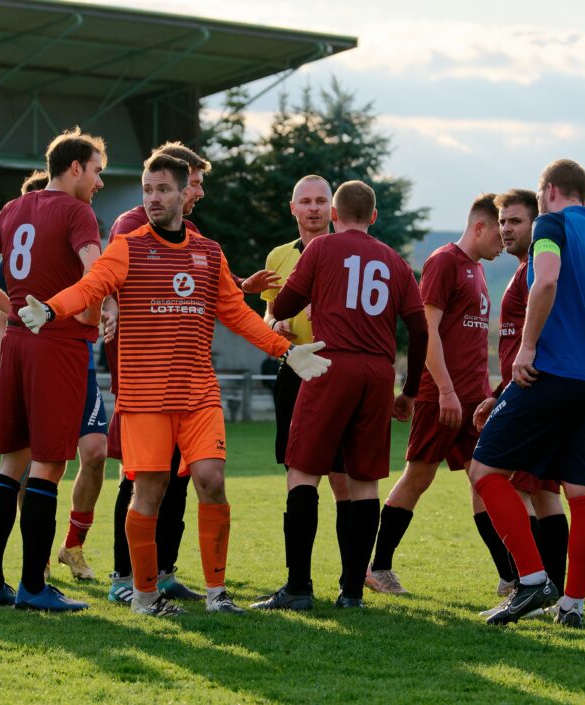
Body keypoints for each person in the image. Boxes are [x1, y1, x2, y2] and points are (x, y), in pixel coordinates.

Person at [18, 153, 330, 617]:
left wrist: (284, 350)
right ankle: (144, 595)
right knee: (151, 492)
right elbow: (92, 286)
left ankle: (217, 593)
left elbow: (238, 314)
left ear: (184, 194)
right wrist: (51, 309)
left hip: (199, 393)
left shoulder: (208, 252)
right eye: (147, 189)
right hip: (145, 398)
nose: (152, 198)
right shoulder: (128, 247)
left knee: (212, 480)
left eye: (162, 189)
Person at [105, 142, 279, 606]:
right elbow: (109, 272)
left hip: (186, 382)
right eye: (197, 180)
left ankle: (162, 574)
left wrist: (242, 288)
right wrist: (106, 303)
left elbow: (206, 289)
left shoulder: (196, 235)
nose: (200, 190)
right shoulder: (132, 226)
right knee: (141, 479)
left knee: (186, 478)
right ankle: (126, 577)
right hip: (143, 378)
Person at [469, 159, 585, 627]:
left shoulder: (551, 224)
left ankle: (530, 580)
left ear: (548, 190)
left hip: (551, 373)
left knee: (484, 470)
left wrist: (526, 348)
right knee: (583, 493)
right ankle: (573, 604)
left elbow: (545, 279)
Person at [253, 180, 428, 610]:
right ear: (373, 216)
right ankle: (352, 592)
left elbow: (286, 305)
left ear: (333, 215)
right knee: (363, 482)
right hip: (377, 374)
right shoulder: (395, 261)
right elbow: (420, 329)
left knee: (303, 473)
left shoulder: (320, 249)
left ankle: (298, 588)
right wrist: (409, 390)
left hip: (331, 366)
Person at [0, 127, 106, 612]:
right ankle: (35, 588)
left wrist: (13, 305)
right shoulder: (77, 211)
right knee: (48, 464)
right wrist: (88, 311)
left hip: (18, 343)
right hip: (56, 346)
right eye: (98, 171)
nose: (100, 183)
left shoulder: (15, 208)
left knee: (10, 464)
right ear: (76, 167)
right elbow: (96, 271)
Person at [366, 193, 503, 595]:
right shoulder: (445, 262)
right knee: (419, 477)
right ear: (479, 226)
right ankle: (378, 569)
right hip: (441, 398)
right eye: (500, 229)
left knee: (486, 481)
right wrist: (444, 390)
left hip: (472, 401)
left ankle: (511, 577)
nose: (505, 238)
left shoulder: (477, 270)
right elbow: (426, 332)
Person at [0, 168, 116, 584]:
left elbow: (101, 286)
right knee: (39, 466)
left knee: (94, 452)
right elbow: (1, 324)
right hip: (43, 363)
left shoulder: (71, 250)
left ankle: (71, 545)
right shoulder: (17, 264)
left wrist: (104, 311)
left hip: (75, 362)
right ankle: (35, 567)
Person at [473, 189, 569, 618]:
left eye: (515, 221)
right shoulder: (523, 271)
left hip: (534, 394)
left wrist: (509, 393)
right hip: (525, 391)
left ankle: (534, 585)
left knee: (497, 477)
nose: (506, 229)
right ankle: (553, 591)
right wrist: (496, 394)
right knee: (539, 491)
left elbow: (537, 341)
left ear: (536, 223)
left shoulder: (535, 271)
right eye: (502, 222)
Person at [259, 175, 352, 598]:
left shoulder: (349, 252)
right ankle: (300, 580)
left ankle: (352, 580)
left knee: (343, 478)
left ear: (332, 209)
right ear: (292, 208)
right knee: (297, 474)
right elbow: (264, 321)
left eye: (321, 201)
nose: (313, 208)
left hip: (337, 373)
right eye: (305, 201)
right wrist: (275, 327)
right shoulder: (279, 256)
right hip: (293, 373)